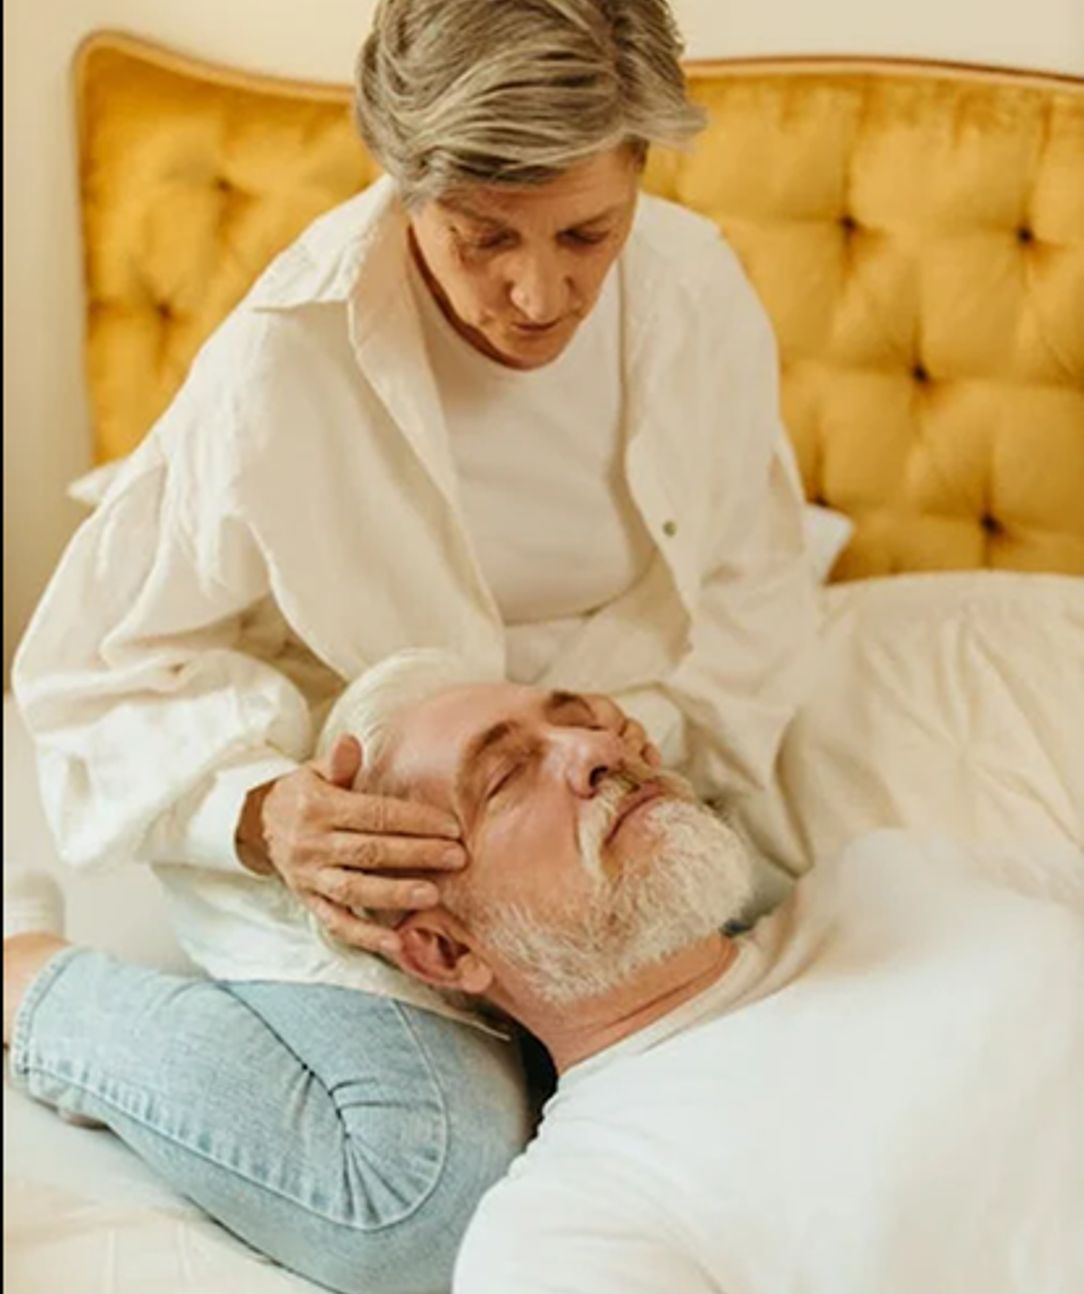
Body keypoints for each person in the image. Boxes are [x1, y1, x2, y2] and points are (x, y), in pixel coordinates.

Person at [8, 0, 815, 1290]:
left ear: (639, 179)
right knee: (422, 1191)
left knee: (825, 1009)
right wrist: (268, 815)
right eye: (483, 236)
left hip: (606, 792)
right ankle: (30, 981)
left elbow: (756, 573)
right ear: (405, 184)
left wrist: (667, 733)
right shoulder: (281, 366)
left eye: (585, 234)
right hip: (378, 841)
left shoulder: (696, 291)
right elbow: (88, 671)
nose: (538, 291)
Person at [305, 651, 1084, 1294]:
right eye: (508, 775)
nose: (597, 751)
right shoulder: (573, 1218)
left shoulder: (891, 875)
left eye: (582, 719)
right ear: (447, 950)